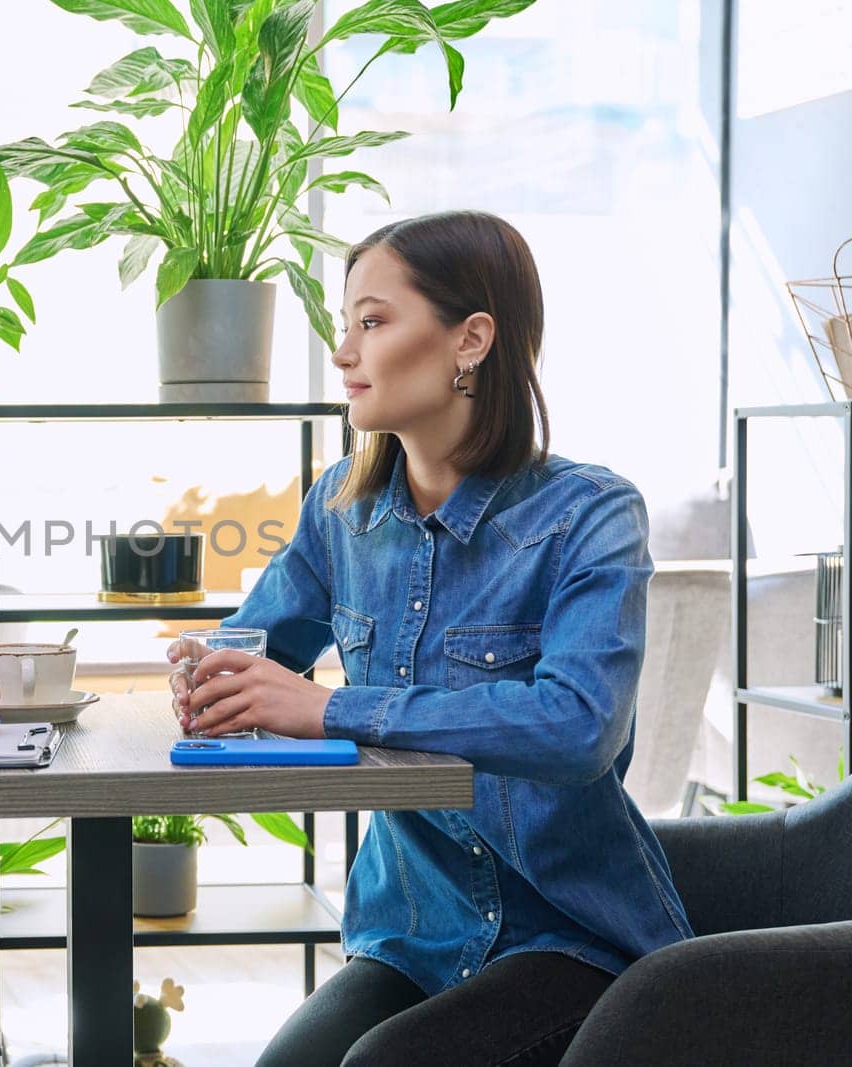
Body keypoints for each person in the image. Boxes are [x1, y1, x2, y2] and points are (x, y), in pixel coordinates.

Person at [169, 212, 692, 1066]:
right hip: (409, 932)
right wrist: (212, 666)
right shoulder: (343, 504)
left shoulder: (589, 515)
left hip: (570, 938)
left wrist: (335, 708)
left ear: (471, 340)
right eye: (347, 327)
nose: (345, 353)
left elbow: (577, 726)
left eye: (372, 322)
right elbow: (264, 643)